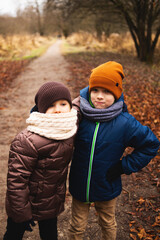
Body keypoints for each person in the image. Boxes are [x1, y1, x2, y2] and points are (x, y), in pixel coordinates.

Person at [68, 61, 160, 240]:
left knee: (107, 222)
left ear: (117, 94)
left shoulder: (125, 123)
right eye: (95, 90)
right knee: (76, 226)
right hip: (80, 183)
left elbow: (151, 144)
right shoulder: (79, 115)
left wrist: (124, 166)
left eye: (107, 91)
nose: (99, 96)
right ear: (89, 90)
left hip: (107, 184)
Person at [3, 81, 77, 240]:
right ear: (41, 110)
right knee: (14, 234)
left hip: (50, 201)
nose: (58, 110)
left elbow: (81, 104)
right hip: (25, 201)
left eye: (63, 104)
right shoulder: (28, 140)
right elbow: (17, 180)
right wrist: (21, 212)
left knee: (50, 235)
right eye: (51, 106)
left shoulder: (69, 126)